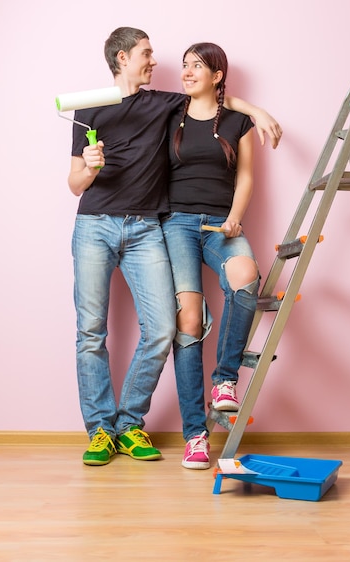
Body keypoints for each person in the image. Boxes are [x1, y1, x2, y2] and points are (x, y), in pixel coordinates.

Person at [68, 27, 282, 467]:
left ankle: (129, 424)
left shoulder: (163, 103)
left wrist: (256, 110)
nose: (157, 62)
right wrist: (88, 170)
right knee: (91, 331)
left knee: (163, 328)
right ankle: (101, 431)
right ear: (123, 57)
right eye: (147, 54)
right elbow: (74, 184)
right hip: (96, 225)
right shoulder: (87, 110)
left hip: (147, 226)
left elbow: (215, 100)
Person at [162, 42, 281, 470]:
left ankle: (225, 380)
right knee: (189, 320)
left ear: (217, 74)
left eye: (198, 66)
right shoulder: (170, 112)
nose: (187, 72)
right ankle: (196, 435)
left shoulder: (237, 123)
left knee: (247, 276)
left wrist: (234, 218)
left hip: (220, 224)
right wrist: (254, 105)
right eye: (184, 65)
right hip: (175, 223)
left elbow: (246, 176)